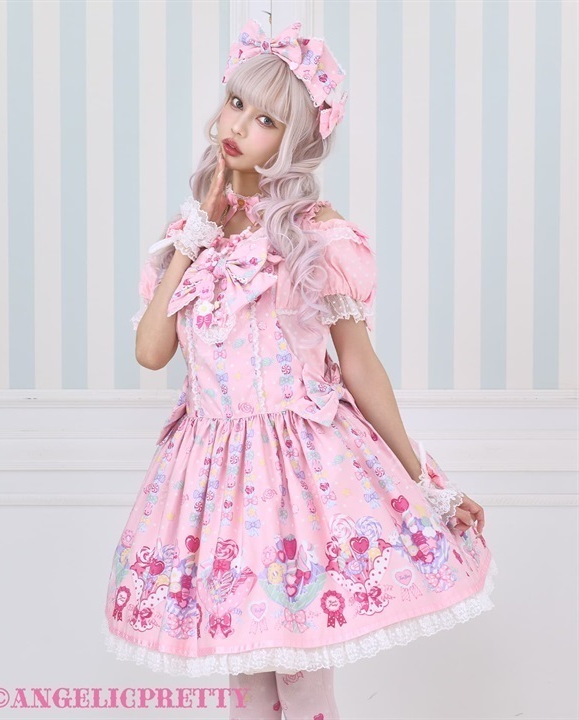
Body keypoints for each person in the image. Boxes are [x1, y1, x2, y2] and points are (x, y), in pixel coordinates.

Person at [102, 19, 498, 720]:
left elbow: (361, 367)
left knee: (302, 671)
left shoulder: (315, 233)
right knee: (246, 676)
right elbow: (151, 352)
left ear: (293, 142)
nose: (237, 126)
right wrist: (193, 236)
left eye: (265, 120)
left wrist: (426, 482)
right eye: (236, 103)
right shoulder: (190, 234)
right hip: (213, 480)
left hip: (299, 476)